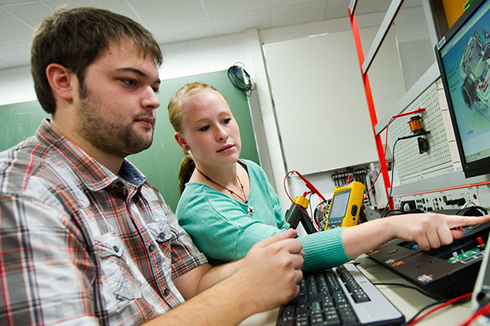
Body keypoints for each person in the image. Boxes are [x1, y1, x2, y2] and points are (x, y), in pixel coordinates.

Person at [0, 7, 305, 326]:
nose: (153, 100)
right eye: (130, 81)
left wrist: (262, 262)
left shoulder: (142, 192)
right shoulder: (21, 194)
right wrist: (244, 290)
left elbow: (196, 285)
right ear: (64, 82)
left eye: (154, 87)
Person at [168, 81, 490, 271]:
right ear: (183, 142)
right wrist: (390, 225)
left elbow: (284, 232)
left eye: (225, 120)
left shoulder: (249, 169)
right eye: (204, 128)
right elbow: (290, 254)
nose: (223, 134)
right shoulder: (200, 209)